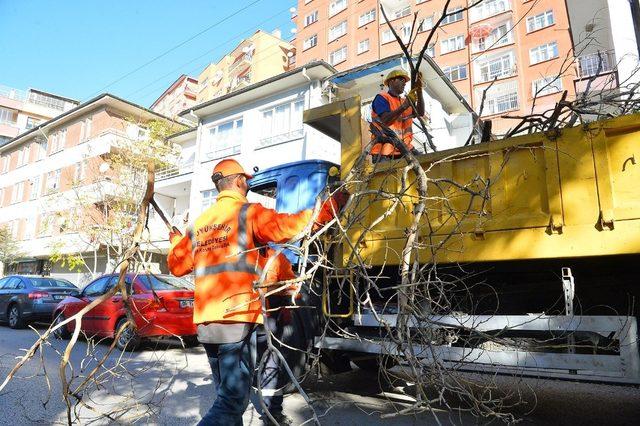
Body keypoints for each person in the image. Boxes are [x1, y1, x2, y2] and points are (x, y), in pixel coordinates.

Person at [167, 158, 347, 426]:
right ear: (240, 181)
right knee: (231, 403)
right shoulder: (246, 213)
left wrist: (176, 242)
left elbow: (176, 265)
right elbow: (291, 226)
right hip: (236, 320)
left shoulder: (199, 225)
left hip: (206, 324)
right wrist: (330, 207)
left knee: (226, 397)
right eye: (247, 181)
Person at [370, 69, 425, 160]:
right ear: (391, 81)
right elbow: (385, 121)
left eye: (405, 82)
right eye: (401, 80)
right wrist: (404, 106)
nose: (404, 83)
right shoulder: (382, 98)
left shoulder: (404, 101)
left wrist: (419, 91)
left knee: (424, 161)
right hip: (384, 149)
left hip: (405, 147)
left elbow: (420, 113)